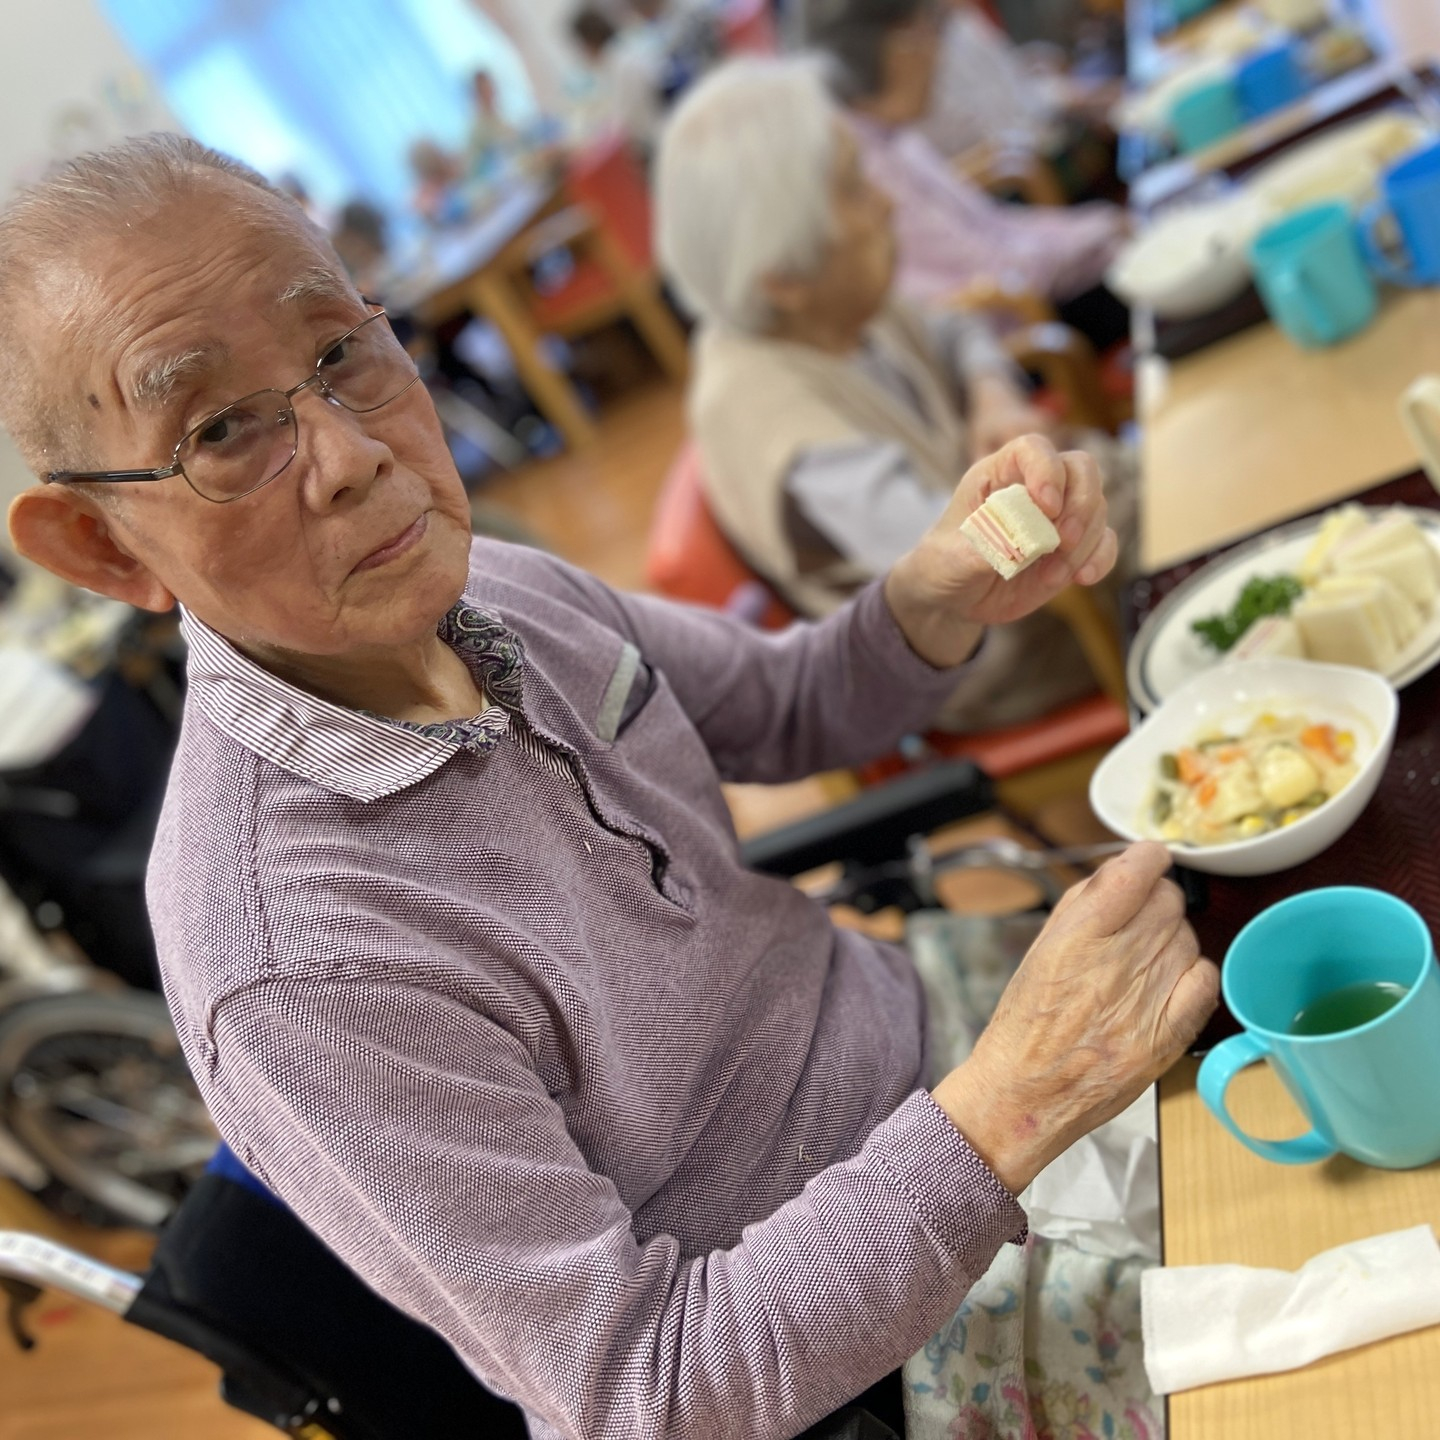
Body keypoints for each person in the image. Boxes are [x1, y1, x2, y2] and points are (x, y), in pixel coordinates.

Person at [2, 134, 1215, 1440]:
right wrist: (1014, 1104)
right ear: (100, 544)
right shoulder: (296, 955)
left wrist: (935, 595)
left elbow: (796, 706)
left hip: (933, 1041)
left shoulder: (497, 590)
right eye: (223, 428)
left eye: (343, 351)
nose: (349, 454)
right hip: (857, 1341)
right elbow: (649, 1391)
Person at [657, 58, 1134, 731]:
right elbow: (978, 568)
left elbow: (952, 324)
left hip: (1046, 566)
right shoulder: (772, 419)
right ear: (782, 277)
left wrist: (992, 393)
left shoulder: (828, 300)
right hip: (1007, 647)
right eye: (854, 188)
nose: (884, 202)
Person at [797, 0, 1132, 351]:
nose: (937, 50)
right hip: (1016, 331)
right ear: (897, 45)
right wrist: (1099, 233)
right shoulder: (863, 165)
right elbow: (998, 273)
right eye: (929, 28)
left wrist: (1099, 228)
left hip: (1025, 286)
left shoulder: (888, 133)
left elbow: (996, 231)